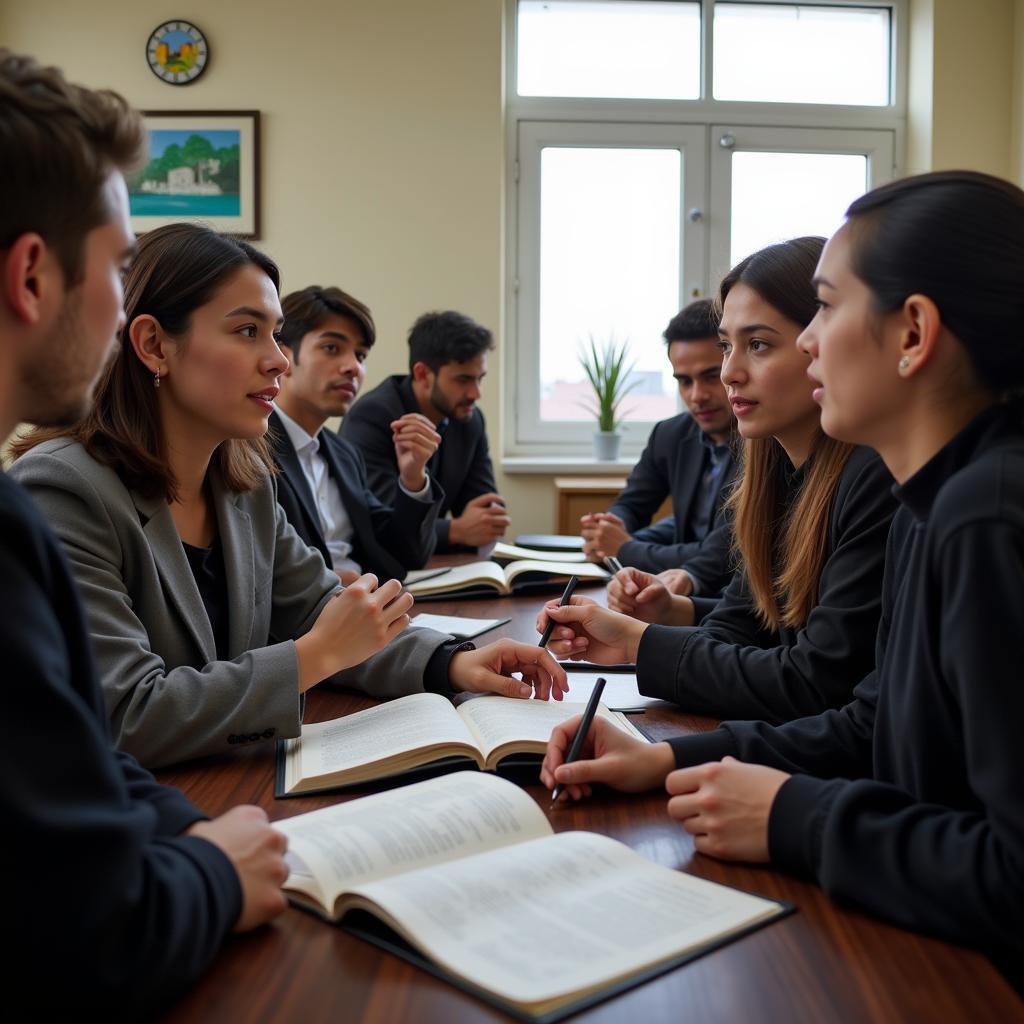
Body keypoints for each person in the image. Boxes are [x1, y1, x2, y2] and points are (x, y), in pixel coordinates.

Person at [541, 171, 1024, 992]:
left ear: (912, 332)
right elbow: (873, 720)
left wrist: (800, 817)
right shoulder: (935, 499)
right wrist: (668, 758)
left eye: (825, 308)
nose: (806, 344)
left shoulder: (987, 515)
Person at [11, 224, 566, 771]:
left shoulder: (244, 484)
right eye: (248, 331)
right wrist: (315, 656)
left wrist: (454, 662)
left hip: (225, 784)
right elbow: (124, 714)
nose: (278, 359)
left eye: (276, 334)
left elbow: (321, 610)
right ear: (155, 345)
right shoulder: (64, 491)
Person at [0, 50, 288, 1014]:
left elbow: (75, 749)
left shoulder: (243, 479)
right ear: (33, 276)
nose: (122, 307)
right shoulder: (42, 501)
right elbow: (93, 929)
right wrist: (211, 868)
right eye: (119, 268)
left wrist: (189, 830)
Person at [538, 238, 897, 724]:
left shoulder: (872, 476)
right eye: (728, 345)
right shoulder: (773, 468)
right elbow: (740, 621)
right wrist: (632, 639)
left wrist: (638, 643)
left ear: (822, 345)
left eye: (759, 345)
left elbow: (815, 685)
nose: (730, 373)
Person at [269, 284, 441, 582]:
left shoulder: (343, 454)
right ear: (284, 358)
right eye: (332, 348)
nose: (353, 367)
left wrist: (413, 478)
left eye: (360, 355)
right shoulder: (248, 448)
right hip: (308, 623)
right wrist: (333, 584)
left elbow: (405, 555)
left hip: (373, 609)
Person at [580, 299, 737, 590]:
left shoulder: (767, 443)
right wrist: (607, 527)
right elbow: (633, 503)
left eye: (710, 377)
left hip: (725, 602)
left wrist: (625, 549)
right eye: (684, 381)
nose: (696, 396)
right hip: (672, 590)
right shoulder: (671, 434)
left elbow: (723, 555)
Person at [340, 309, 509, 552]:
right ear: (422, 374)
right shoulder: (371, 418)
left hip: (445, 564)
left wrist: (484, 522)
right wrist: (456, 530)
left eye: (479, 378)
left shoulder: (470, 420)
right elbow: (382, 524)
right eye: (463, 380)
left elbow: (483, 513)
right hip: (382, 571)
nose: (476, 393)